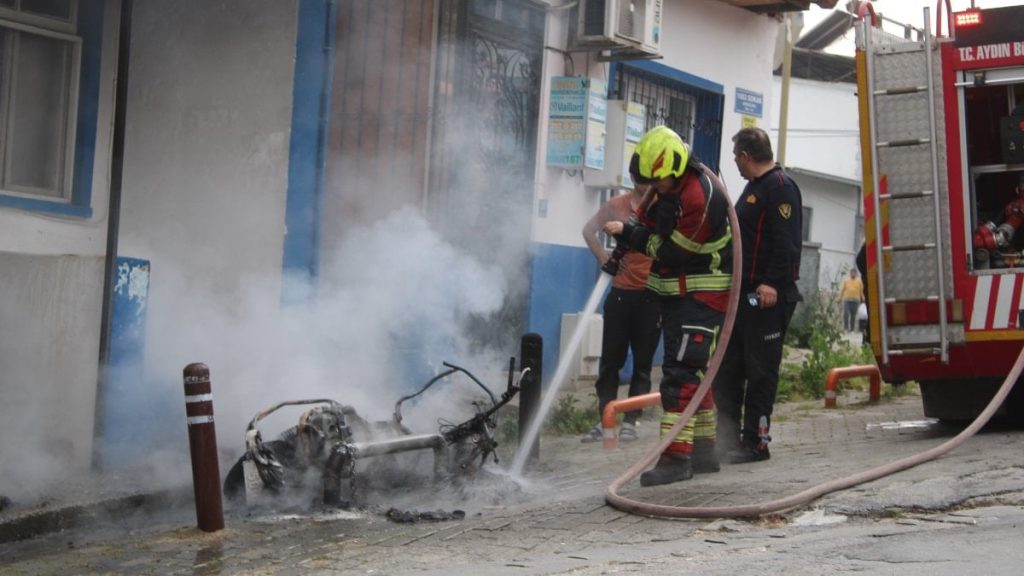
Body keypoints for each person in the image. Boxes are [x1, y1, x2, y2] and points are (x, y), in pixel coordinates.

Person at [603, 126, 733, 486]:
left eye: (655, 183)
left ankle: (676, 460)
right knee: (697, 377)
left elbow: (673, 252)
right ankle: (704, 452)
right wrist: (631, 231)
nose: (651, 190)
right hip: (681, 297)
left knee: (679, 378)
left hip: (701, 297)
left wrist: (631, 236)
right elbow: (650, 221)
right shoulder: (672, 186)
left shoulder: (698, 198)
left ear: (671, 172)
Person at [713, 127, 803, 465]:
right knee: (730, 369)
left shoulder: (780, 189)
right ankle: (728, 438)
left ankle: (756, 442)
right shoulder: (753, 189)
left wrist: (772, 284)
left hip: (765, 298)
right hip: (742, 296)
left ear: (746, 156)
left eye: (736, 156)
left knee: (761, 371)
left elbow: (787, 244)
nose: (735, 163)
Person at [579, 183, 662, 444]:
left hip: (651, 294)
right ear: (633, 177)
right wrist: (605, 260)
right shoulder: (618, 205)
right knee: (611, 360)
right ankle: (606, 416)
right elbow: (588, 230)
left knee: (642, 363)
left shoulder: (663, 206)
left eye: (650, 179)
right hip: (620, 292)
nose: (645, 184)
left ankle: (631, 420)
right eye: (641, 178)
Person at [838, 268, 864, 333]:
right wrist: (839, 298)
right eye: (851, 273)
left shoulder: (859, 281)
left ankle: (852, 329)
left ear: (856, 274)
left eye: (854, 273)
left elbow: (861, 291)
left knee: (853, 315)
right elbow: (842, 290)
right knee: (846, 314)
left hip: (856, 300)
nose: (853, 274)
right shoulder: (846, 281)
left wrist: (863, 298)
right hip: (847, 300)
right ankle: (846, 328)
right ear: (850, 273)